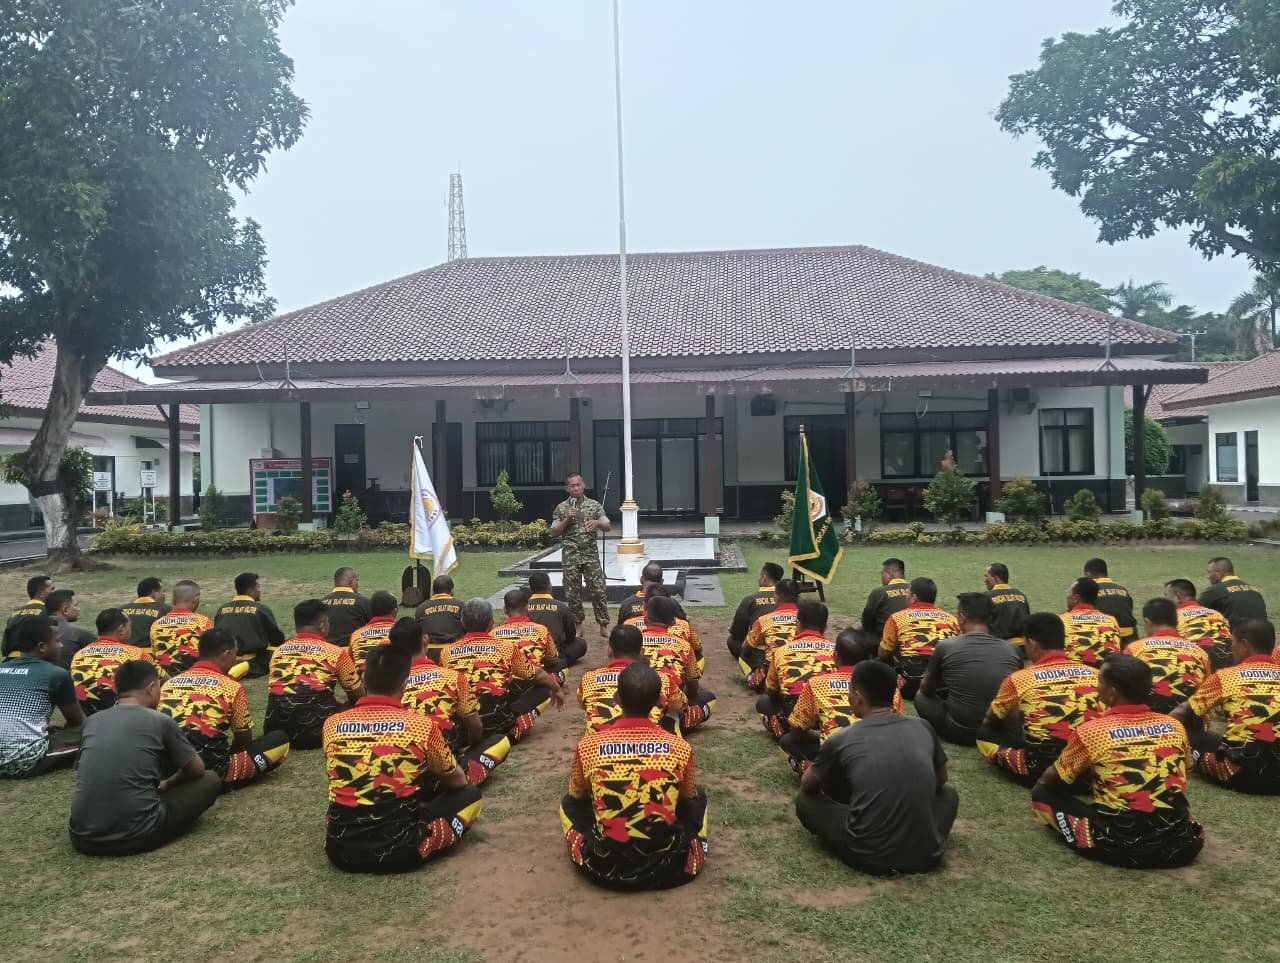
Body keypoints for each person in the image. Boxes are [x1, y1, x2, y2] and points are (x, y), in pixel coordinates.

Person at [322, 645, 484, 874]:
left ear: (364, 679)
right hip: (401, 852)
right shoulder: (421, 726)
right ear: (405, 684)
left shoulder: (332, 725)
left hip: (340, 851)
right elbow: (456, 781)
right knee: (470, 795)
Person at [1032, 654, 1204, 869]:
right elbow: (1186, 767)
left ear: (1112, 692)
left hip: (1120, 846)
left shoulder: (1091, 732)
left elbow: (1050, 781)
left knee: (1041, 794)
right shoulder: (1174, 726)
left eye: (1100, 682)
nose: (1097, 687)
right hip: (1179, 846)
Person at [796, 660, 958, 876]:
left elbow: (808, 784)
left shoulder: (843, 738)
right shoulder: (922, 726)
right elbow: (941, 780)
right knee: (948, 795)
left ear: (859, 696)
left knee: (805, 800)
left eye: (850, 692)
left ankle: (868, 830)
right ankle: (921, 836)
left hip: (867, 856)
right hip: (927, 856)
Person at [561, 661, 708, 889]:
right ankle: (697, 849)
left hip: (604, 867)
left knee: (569, 805)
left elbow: (577, 796)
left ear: (617, 699)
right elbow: (687, 798)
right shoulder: (679, 747)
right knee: (698, 800)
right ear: (660, 701)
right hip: (667, 867)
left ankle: (591, 846)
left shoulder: (589, 746)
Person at [69, 660, 222, 856]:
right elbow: (196, 770)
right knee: (209, 779)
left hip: (82, 837)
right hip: (138, 835)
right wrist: (169, 783)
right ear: (151, 688)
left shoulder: (92, 721)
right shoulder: (159, 720)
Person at [976, 613, 1102, 786]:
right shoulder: (1097, 676)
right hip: (1089, 772)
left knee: (984, 733)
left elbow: (991, 720)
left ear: (1032, 643)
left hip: (1041, 768)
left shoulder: (1020, 679)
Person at [160, 629, 291, 790]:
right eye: (234, 655)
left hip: (168, 766)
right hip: (212, 770)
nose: (235, 660)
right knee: (280, 740)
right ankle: (215, 777)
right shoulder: (231, 687)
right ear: (226, 654)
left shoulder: (169, 684)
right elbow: (243, 738)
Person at [387, 619, 510, 786]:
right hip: (443, 767)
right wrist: (474, 742)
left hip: (398, 773)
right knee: (500, 741)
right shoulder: (451, 677)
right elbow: (475, 724)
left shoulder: (387, 686)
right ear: (425, 639)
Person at [1172, 618, 1280, 795]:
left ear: (1244, 644)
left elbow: (1183, 712)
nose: (1231, 648)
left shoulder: (1227, 677)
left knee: (1190, 734)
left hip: (1244, 777)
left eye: (1233, 643)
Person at [442, 599, 565, 742]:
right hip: (499, 722)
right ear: (491, 622)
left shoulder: (446, 653)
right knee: (544, 686)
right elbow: (536, 673)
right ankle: (514, 726)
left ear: (462, 622)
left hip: (464, 726)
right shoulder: (506, 648)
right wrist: (556, 688)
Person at [782, 629, 901, 773]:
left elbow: (796, 731)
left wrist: (822, 734)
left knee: (788, 741)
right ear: (869, 657)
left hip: (839, 762)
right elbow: (899, 725)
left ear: (835, 656)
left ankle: (816, 774)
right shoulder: (887, 684)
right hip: (882, 760)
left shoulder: (817, 684)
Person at [914, 593, 1022, 745]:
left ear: (962, 618)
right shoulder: (1013, 649)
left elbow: (926, 688)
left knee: (921, 697)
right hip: (997, 731)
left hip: (960, 732)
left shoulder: (945, 647)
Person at [266, 599, 361, 749]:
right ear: (323, 625)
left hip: (276, 730)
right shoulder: (335, 653)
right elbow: (358, 697)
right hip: (315, 732)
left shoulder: (279, 651)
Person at [0, 615, 83, 777]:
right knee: (95, 731)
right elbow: (77, 722)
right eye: (57, 641)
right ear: (42, 646)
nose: (61, 645)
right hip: (22, 761)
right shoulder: (56, 674)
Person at [757, 601, 835, 740]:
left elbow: (771, 689)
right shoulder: (837, 651)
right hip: (828, 713)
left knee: (763, 703)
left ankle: (786, 728)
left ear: (797, 624)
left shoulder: (781, 651)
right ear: (825, 627)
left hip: (794, 711)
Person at [577, 624, 673, 732]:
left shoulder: (589, 678)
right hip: (650, 740)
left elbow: (583, 704)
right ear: (642, 652)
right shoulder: (659, 679)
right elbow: (679, 706)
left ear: (610, 650)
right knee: (672, 715)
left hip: (599, 744)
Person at [549, 472, 611, 638]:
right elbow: (553, 532)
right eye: (572, 485)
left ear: (583, 485)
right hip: (571, 557)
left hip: (590, 556)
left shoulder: (594, 505)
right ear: (567, 488)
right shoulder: (562, 508)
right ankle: (578, 625)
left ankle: (604, 624)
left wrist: (597, 522)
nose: (576, 488)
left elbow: (607, 525)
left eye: (578, 485)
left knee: (598, 591)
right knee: (572, 593)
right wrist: (567, 519)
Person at [877, 577, 960, 699]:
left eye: (908, 594)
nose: (906, 597)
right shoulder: (952, 619)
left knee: (877, 662)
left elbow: (883, 654)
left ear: (914, 597)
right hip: (943, 685)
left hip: (910, 685)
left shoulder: (897, 618)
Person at [1126, 598, 1210, 714]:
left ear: (1147, 622)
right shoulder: (1199, 652)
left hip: (1148, 722)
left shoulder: (1134, 649)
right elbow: (1206, 692)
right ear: (1176, 622)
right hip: (1191, 720)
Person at [642, 595, 714, 732]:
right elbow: (693, 684)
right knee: (708, 698)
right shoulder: (684, 646)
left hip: (630, 702)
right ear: (674, 622)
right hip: (667, 702)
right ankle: (673, 724)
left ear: (645, 617)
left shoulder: (633, 641)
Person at [70, 608, 156, 714]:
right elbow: (164, 680)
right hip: (123, 715)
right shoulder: (136, 653)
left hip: (88, 716)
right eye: (129, 626)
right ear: (121, 629)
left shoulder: (79, 655)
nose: (131, 629)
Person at [212, 572, 285, 677]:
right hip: (253, 659)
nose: (260, 590)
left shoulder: (222, 609)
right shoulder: (261, 609)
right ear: (251, 590)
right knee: (280, 650)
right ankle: (246, 667)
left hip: (226, 658)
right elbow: (276, 638)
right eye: (258, 587)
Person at [739, 578, 800, 689]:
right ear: (798, 598)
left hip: (773, 673)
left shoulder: (764, 620)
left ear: (776, 597)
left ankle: (754, 676)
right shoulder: (806, 619)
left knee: (745, 653)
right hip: (802, 670)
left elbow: (746, 647)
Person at [493, 588, 564, 679]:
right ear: (527, 608)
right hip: (535, 681)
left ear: (505, 610)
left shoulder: (493, 635)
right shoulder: (541, 630)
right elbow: (552, 658)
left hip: (506, 682)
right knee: (561, 664)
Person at [1165, 578, 1233, 670]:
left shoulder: (1172, 618)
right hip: (1227, 667)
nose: (1165, 600)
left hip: (1196, 668)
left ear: (1178, 597)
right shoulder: (1217, 614)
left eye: (1166, 596)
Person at [150, 580, 214, 677]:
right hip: (196, 677)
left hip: (165, 679)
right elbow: (211, 655)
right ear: (195, 599)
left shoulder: (156, 624)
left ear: (173, 600)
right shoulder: (204, 622)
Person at [527, 571, 587, 666]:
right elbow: (570, 636)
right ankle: (558, 660)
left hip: (528, 652)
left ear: (530, 589)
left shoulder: (523, 607)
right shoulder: (561, 607)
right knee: (580, 644)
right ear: (549, 587)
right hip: (555, 653)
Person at [1059, 578, 1122, 666]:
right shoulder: (1111, 620)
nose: (1067, 595)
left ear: (1075, 598)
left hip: (1076, 676)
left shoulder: (1061, 621)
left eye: (1069, 592)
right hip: (1108, 675)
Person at [727, 562, 783, 658]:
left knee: (732, 641)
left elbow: (738, 632)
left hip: (762, 652)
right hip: (787, 648)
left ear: (764, 578)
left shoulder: (750, 599)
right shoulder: (791, 599)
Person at [1199, 557, 1267, 630]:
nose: (1208, 577)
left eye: (1209, 572)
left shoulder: (1214, 591)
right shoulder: (1254, 590)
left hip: (1235, 638)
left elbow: (1192, 611)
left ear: (1219, 573)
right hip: (1262, 636)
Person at [1082, 558, 1136, 644]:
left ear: (1088, 575)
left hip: (1106, 637)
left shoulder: (1090, 590)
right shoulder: (1123, 589)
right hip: (1129, 637)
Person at [346, 591, 399, 673]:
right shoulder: (403, 631)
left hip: (367, 682)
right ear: (395, 611)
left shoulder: (356, 635)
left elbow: (351, 664)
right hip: (398, 680)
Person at [859, 558, 910, 641]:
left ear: (889, 573)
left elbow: (867, 622)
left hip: (885, 641)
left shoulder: (878, 592)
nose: (881, 577)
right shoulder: (916, 590)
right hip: (912, 638)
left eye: (882, 573)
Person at [415, 575, 464, 656]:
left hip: (429, 654)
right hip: (454, 652)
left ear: (433, 592)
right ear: (452, 591)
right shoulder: (461, 605)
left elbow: (417, 634)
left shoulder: (421, 608)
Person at [45, 588, 94, 667]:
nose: (78, 609)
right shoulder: (79, 633)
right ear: (65, 610)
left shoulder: (30, 629)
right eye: (76, 605)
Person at [322, 566, 371, 645]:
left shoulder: (320, 603)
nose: (357, 583)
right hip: (354, 652)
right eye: (356, 580)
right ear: (351, 581)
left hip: (328, 653)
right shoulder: (363, 601)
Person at [4, 574, 53, 652]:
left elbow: (5, 645)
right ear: (40, 594)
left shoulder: (14, 614)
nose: (54, 593)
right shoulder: (47, 612)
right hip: (34, 658)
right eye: (52, 589)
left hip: (11, 660)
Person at [983, 563, 1030, 646]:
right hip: (1022, 646)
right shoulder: (1021, 595)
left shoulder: (986, 596)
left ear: (996, 578)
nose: (985, 580)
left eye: (987, 576)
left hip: (999, 647)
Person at [121, 577, 170, 648]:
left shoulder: (121, 610)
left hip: (125, 654)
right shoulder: (165, 609)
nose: (164, 595)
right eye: (162, 591)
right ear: (153, 593)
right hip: (151, 656)